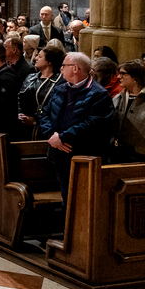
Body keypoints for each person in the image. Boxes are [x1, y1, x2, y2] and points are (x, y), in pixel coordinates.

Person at [39, 53, 116, 202]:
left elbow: (94, 123)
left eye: (64, 65)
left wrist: (63, 137)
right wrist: (52, 136)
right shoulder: (60, 89)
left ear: (75, 68)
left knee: (82, 200)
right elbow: (45, 113)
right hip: (59, 154)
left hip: (83, 155)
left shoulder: (98, 94)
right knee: (67, 198)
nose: (60, 68)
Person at [111, 59, 145, 163]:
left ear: (136, 77)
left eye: (123, 74)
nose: (119, 77)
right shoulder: (118, 98)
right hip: (118, 155)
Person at [18, 45, 65, 140]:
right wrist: (20, 114)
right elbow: (19, 97)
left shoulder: (60, 81)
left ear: (49, 61)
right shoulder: (30, 77)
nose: (36, 58)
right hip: (24, 128)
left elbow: (57, 108)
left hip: (46, 130)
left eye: (40, 56)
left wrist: (35, 120)